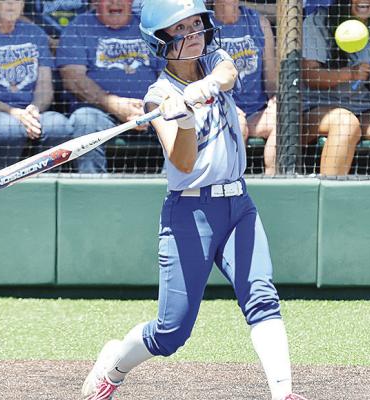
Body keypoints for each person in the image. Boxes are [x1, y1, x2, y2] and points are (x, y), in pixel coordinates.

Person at [81, 1, 309, 400]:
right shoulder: (157, 97)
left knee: (261, 295)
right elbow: (183, 160)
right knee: (171, 332)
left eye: (195, 25)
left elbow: (228, 71)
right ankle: (114, 368)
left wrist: (206, 87)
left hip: (238, 205)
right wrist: (181, 115)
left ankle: (283, 393)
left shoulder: (214, 58)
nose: (192, 34)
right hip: (190, 212)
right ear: (159, 40)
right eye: (179, 28)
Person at [56, 0, 161, 173]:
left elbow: (169, 73)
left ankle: (171, 189)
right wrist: (115, 105)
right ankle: (92, 192)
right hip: (100, 113)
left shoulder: (149, 28)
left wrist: (151, 107)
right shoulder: (78, 28)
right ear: (96, 2)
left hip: (151, 110)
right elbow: (73, 79)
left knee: (183, 116)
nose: (115, 2)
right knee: (84, 119)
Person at [0, 0, 72, 171]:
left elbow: (44, 85)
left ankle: (46, 186)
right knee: (9, 130)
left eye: (17, 0)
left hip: (31, 111)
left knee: (59, 125)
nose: (11, 3)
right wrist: (14, 113)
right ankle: (1, 188)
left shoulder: (35, 33)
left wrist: (34, 109)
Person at [302, 0, 370, 175]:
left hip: (366, 107)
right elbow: (310, 76)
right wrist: (351, 73)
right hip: (317, 109)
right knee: (346, 123)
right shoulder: (318, 22)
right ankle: (331, 196)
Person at [212, 0, 277, 175]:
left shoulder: (259, 22)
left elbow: (270, 78)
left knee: (282, 121)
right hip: (218, 112)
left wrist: (275, 99)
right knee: (237, 124)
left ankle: (275, 183)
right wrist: (226, 105)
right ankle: (228, 188)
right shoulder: (204, 26)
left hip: (255, 112)